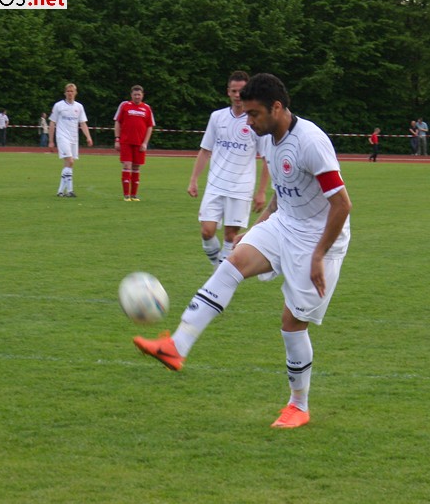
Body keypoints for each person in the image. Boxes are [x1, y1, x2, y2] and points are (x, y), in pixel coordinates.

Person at [134, 73, 352, 429]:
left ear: (277, 108)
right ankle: (176, 346)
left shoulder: (311, 142)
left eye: (253, 114)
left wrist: (317, 255)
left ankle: (299, 405)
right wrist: (263, 224)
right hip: (285, 224)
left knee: (292, 324)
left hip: (319, 238)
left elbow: (342, 205)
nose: (248, 122)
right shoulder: (271, 137)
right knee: (231, 262)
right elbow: (287, 188)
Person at [188, 70, 269, 267]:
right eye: (234, 91)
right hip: (215, 185)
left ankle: (220, 277)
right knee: (207, 231)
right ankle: (220, 269)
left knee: (231, 236)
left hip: (240, 188)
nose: (237, 95)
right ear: (228, 92)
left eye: (241, 91)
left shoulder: (256, 120)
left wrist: (261, 191)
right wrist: (193, 180)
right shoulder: (217, 117)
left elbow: (267, 159)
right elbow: (205, 150)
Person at [48, 83, 93, 198]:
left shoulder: (79, 107)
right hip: (62, 137)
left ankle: (60, 191)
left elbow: (83, 123)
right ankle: (70, 190)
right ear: (65, 93)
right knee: (70, 161)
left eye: (72, 91)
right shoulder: (58, 106)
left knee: (68, 164)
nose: (70, 93)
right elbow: (52, 123)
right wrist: (51, 140)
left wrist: (88, 137)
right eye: (68, 91)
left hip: (74, 138)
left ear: (75, 93)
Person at [114, 85, 156, 201]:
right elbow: (118, 122)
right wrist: (117, 138)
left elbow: (150, 127)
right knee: (127, 165)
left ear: (142, 95)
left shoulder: (147, 108)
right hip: (126, 141)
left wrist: (145, 143)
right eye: (135, 95)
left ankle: (134, 195)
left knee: (136, 167)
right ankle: (126, 195)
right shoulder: (125, 105)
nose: (137, 97)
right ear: (131, 95)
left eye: (139, 95)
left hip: (139, 143)